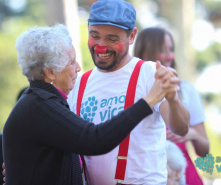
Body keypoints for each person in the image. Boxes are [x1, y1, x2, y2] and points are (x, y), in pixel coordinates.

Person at [2, 24, 174, 185]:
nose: (78, 67)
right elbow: (95, 139)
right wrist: (149, 101)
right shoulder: (41, 106)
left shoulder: (41, 102)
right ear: (50, 72)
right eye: (71, 62)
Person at [68, 0, 190, 184]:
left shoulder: (148, 73)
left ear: (132, 36)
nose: (101, 46)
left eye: (112, 38)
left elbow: (180, 128)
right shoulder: (78, 84)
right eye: (95, 36)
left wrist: (173, 100)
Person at [134, 27, 209, 185]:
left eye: (171, 49)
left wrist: (192, 133)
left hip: (185, 177)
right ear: (145, 51)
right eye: (163, 50)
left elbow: (204, 151)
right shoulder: (130, 91)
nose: (170, 56)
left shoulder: (186, 90)